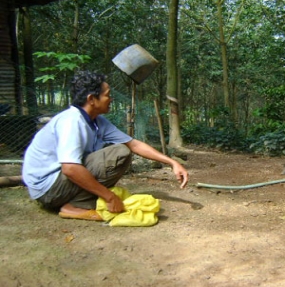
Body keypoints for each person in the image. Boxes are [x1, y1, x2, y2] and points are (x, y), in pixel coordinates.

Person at [22, 70, 188, 221]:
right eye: (107, 95)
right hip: (48, 190)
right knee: (118, 153)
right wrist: (109, 196)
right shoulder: (72, 121)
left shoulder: (97, 121)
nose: (111, 99)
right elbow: (70, 168)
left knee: (123, 150)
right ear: (91, 99)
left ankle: (78, 201)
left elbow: (134, 144)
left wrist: (172, 163)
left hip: (58, 183)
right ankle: (75, 206)